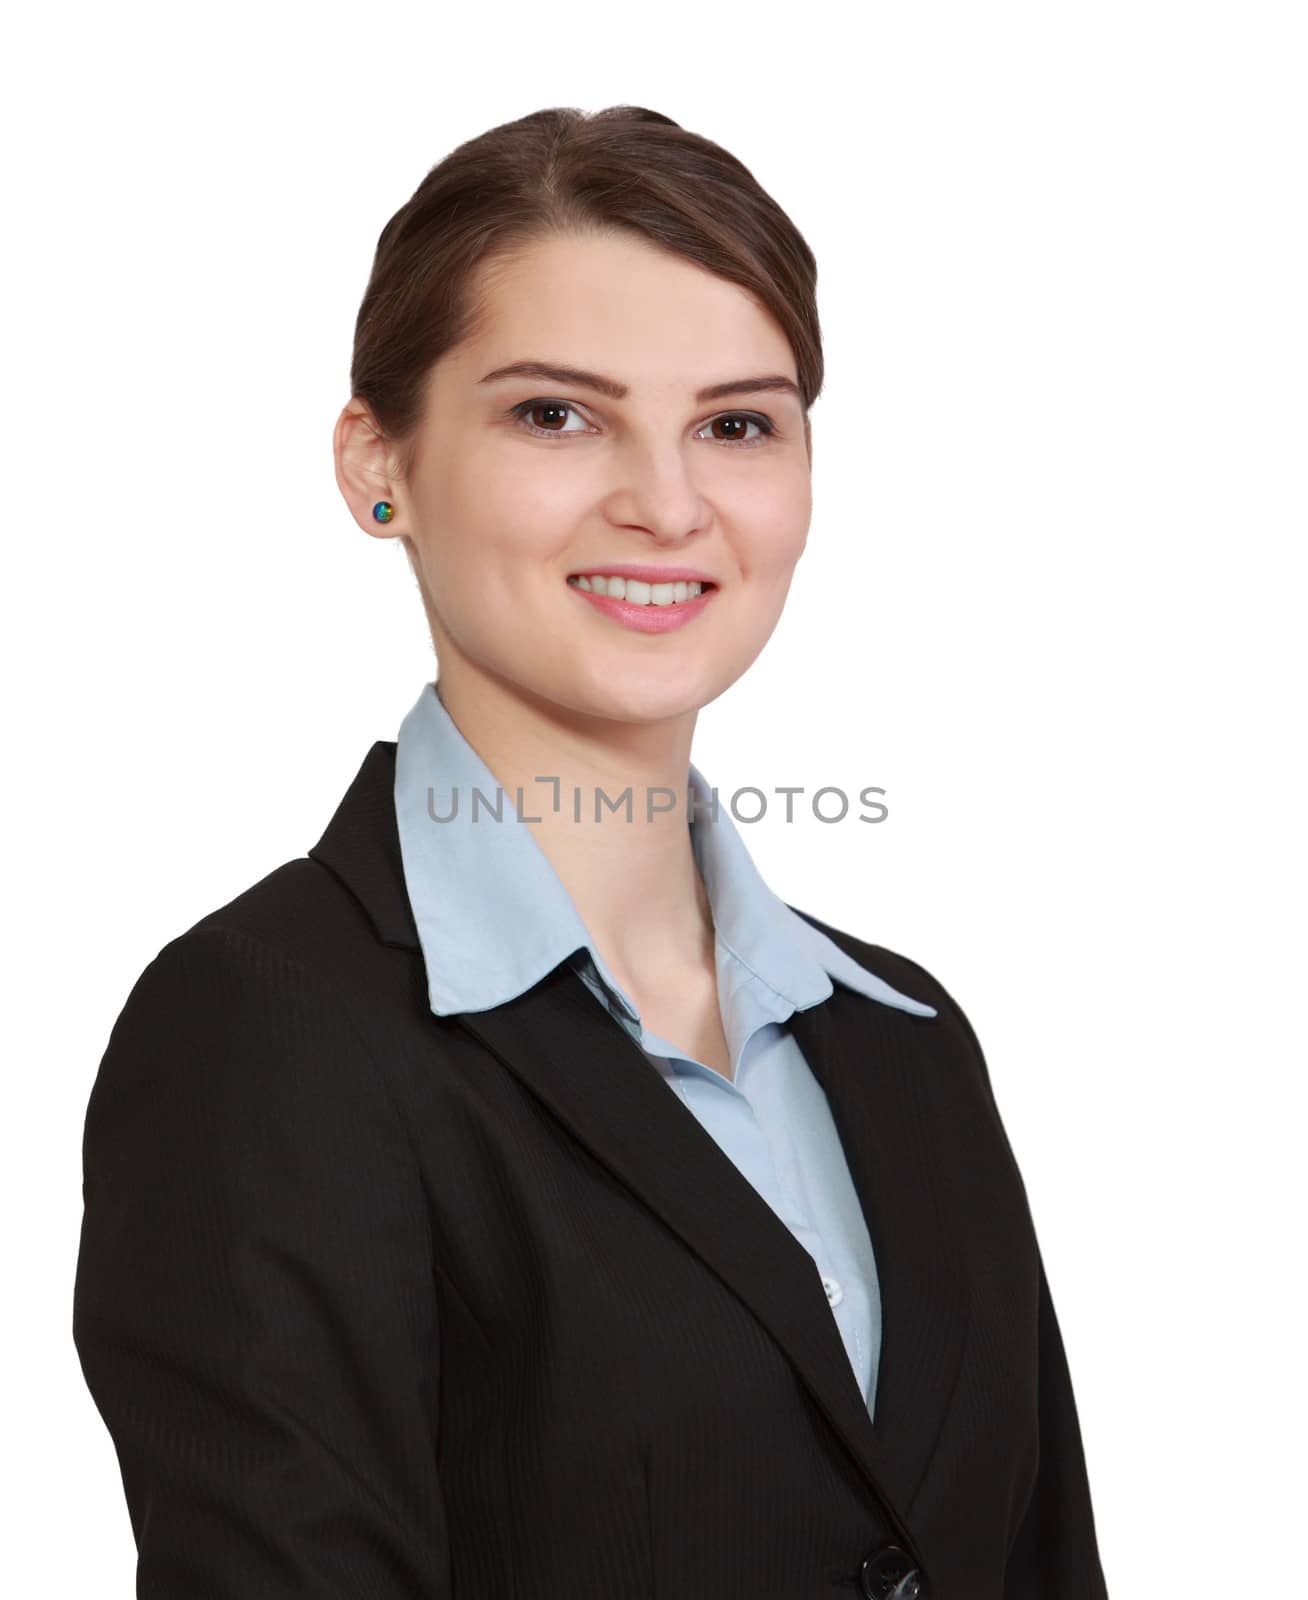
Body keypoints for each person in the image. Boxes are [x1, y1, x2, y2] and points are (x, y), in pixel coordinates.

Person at [72, 104, 1109, 1599]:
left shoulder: (912, 1042)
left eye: (736, 423)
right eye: (556, 414)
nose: (669, 502)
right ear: (381, 465)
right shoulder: (262, 1033)